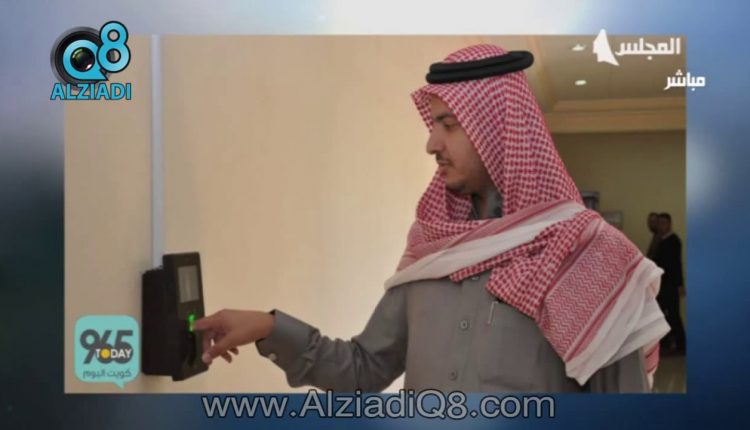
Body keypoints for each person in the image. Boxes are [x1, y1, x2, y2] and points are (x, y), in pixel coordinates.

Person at [193, 45, 670, 393]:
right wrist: (268, 327)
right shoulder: (432, 251)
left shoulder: (588, 254)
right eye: (433, 125)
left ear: (497, 130)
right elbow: (362, 369)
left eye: (448, 125)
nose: (431, 144)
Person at [653, 212, 686, 355]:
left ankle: (681, 345)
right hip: (662, 284)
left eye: (663, 223)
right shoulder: (660, 240)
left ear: (669, 224)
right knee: (662, 314)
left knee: (673, 315)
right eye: (659, 223)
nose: (661, 226)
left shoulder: (673, 241)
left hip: (671, 285)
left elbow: (676, 264)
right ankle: (667, 344)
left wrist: (680, 285)